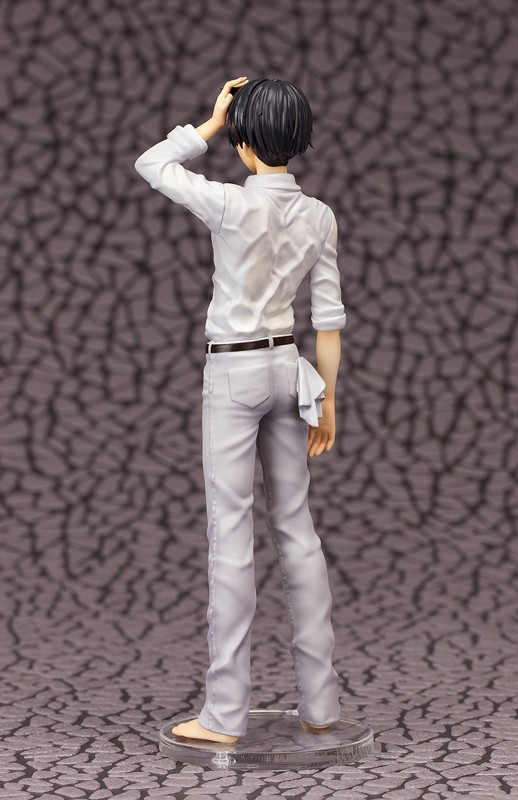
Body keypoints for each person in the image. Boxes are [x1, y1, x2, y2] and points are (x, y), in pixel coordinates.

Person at [134, 76, 347, 744]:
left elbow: (152, 164)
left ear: (244, 141)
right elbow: (329, 321)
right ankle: (321, 704)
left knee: (231, 537)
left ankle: (225, 714)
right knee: (297, 531)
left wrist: (208, 124)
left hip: (233, 372)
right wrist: (328, 399)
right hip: (291, 370)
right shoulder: (319, 216)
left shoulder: (229, 202)